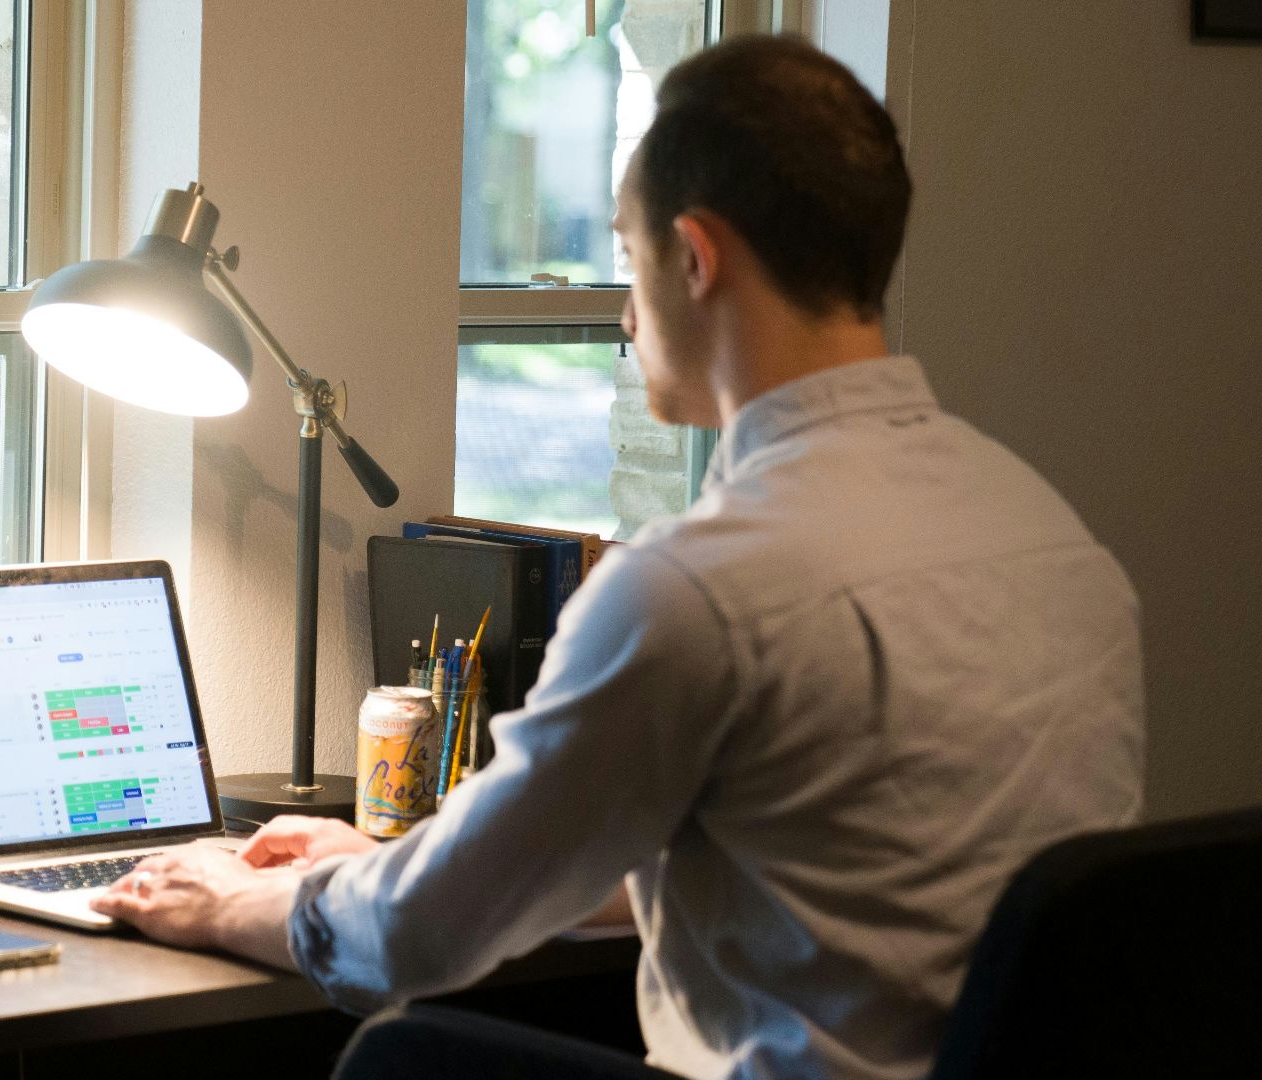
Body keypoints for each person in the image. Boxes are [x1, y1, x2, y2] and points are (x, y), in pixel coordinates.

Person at [91, 34, 1143, 1080]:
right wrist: (414, 862)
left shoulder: (699, 588)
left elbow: (413, 943)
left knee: (400, 1062)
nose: (627, 313)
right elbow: (815, 867)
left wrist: (229, 898)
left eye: (628, 258)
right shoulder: (1054, 539)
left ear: (695, 257)